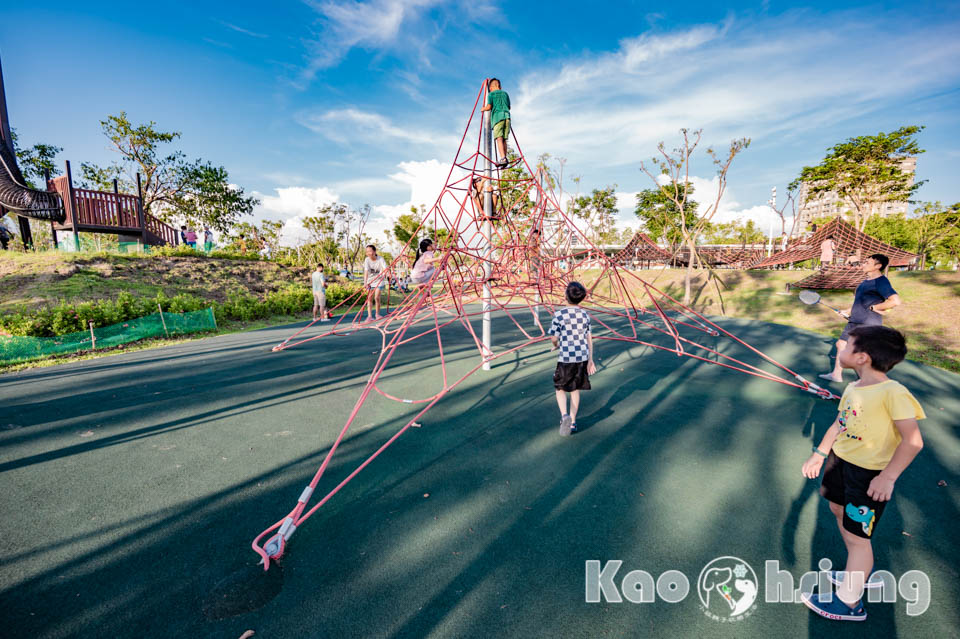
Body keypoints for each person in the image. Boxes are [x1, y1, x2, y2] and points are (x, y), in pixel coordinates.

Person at [800, 326, 925, 622]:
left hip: (867, 476)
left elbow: (913, 441)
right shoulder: (854, 388)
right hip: (839, 463)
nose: (840, 350)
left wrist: (888, 477)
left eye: (846, 347)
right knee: (837, 511)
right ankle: (856, 573)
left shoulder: (893, 392)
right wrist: (819, 453)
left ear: (862, 358)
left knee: (858, 539)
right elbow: (840, 424)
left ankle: (849, 602)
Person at [820, 254, 901, 382]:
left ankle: (871, 381)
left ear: (878, 266)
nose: (863, 264)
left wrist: (875, 308)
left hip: (868, 323)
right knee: (841, 344)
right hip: (855, 321)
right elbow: (859, 301)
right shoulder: (864, 282)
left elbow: (895, 301)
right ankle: (836, 374)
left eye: (867, 263)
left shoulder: (881, 281)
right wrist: (847, 311)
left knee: (863, 354)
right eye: (864, 262)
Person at [549, 281, 597, 436]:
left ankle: (564, 416)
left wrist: (556, 344)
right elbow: (589, 338)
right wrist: (590, 359)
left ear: (565, 296)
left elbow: (553, 337)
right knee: (575, 389)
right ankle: (573, 422)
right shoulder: (585, 315)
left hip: (566, 358)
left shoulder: (559, 315)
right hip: (582, 357)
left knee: (560, 388)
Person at [481, 78, 511, 168]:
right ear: (499, 86)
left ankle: (503, 158)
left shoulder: (491, 94)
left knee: (499, 138)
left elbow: (489, 107)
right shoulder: (505, 94)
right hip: (507, 118)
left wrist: (483, 108)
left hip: (498, 118)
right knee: (504, 139)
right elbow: (509, 107)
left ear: (491, 87)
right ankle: (504, 158)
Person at [362, 244, 387, 321]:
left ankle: (377, 314)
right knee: (369, 299)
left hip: (379, 280)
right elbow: (366, 272)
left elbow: (385, 268)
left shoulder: (380, 259)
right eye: (367, 251)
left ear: (374, 251)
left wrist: (388, 273)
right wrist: (365, 282)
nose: (369, 253)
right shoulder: (367, 260)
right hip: (370, 281)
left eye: (370, 251)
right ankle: (369, 316)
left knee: (376, 297)